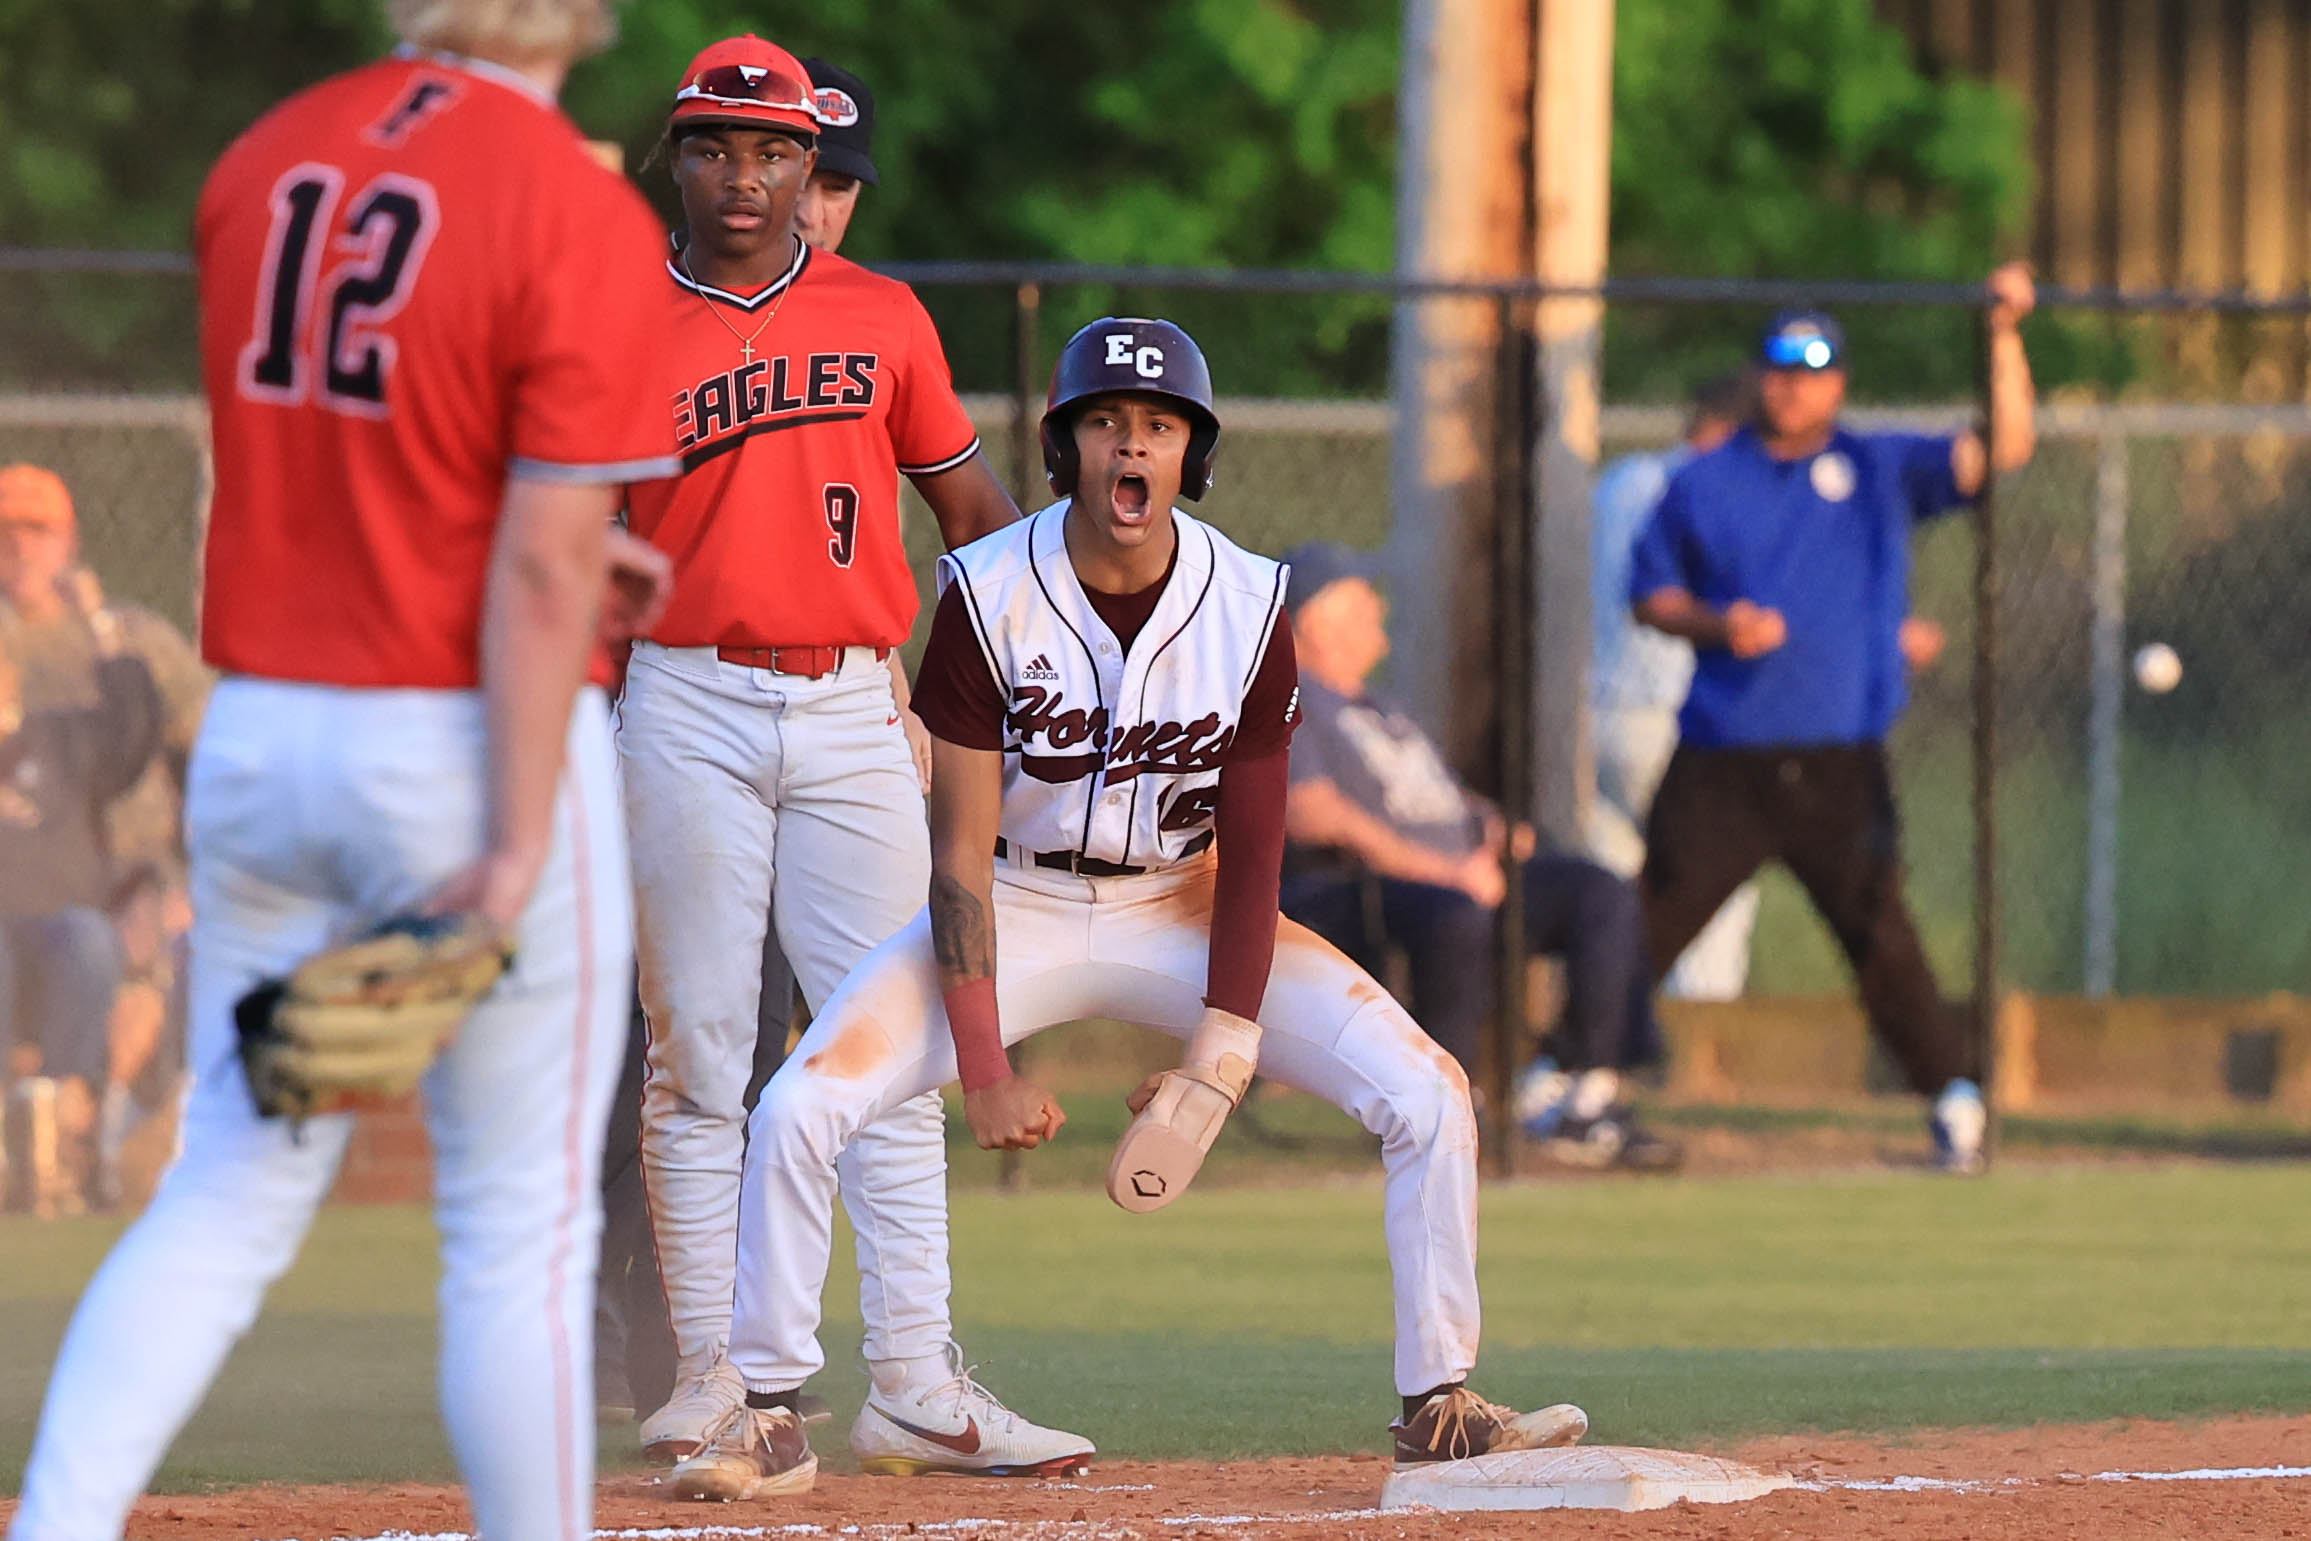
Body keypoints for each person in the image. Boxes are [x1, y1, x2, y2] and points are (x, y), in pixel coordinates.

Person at [667, 318, 1589, 1501]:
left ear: (1192, 456)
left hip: (1185, 895)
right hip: (1011, 894)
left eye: (1158, 426)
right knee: (799, 1104)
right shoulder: (988, 592)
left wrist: (1223, 1045)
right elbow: (953, 857)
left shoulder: (1249, 603)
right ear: (1064, 449)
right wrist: (985, 1062)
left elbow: (1255, 848)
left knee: (1427, 1087)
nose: (1130, 447)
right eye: (1104, 422)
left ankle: (1439, 1402)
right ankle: (770, 1411)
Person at [5, 1, 680, 1536]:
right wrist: (513, 846)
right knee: (515, 1232)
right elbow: (532, 561)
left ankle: (53, 1524)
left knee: (228, 1185)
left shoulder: (266, 157)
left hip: (261, 745)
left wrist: (577, 564)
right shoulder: (571, 202)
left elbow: (368, 467)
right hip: (456, 750)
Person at [617, 34, 1085, 1475]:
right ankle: (714, 1375)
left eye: (772, 154)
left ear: (813, 171)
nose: (743, 177)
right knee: (700, 1050)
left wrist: (1033, 643)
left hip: (847, 702)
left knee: (890, 1040)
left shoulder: (880, 316)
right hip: (681, 692)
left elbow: (970, 504)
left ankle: (917, 1378)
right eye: (713, 147)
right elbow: (565, 540)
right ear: (676, 162)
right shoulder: (616, 320)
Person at [1629, 264, 2038, 1175]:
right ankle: (1564, 1076)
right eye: (1780, 368)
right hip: (1724, 753)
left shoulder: (1876, 466)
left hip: (1838, 760)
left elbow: (2001, 447)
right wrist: (1715, 623)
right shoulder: (1705, 479)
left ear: (1838, 383)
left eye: (1813, 370)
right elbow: (1649, 593)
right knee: (1651, 917)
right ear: (1759, 377)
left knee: (1877, 930)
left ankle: (1953, 1098)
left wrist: (2002, 333)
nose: (1794, 384)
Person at [1277, 544, 1677, 1172]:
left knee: (1598, 892)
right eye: (1361, 600)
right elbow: (1312, 812)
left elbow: (1432, 797)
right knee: (1456, 912)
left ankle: (1579, 1089)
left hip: (1462, 873)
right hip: (1356, 887)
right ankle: (1439, 1103)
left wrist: (1486, 826)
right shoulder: (1291, 701)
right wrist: (1448, 871)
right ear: (1315, 621)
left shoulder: (1381, 709)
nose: (1379, 610)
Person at [0, 464, 212, 1197]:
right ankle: (54, 1141)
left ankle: (101, 1136)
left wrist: (186, 869)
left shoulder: (129, 638)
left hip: (138, 872)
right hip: (37, 872)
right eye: (5, 534)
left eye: (36, 532)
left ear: (69, 542)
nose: (19, 550)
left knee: (150, 945)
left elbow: (206, 742)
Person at [1585, 378, 1760, 1001]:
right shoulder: (1721, 491)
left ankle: (1599, 1032)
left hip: (1598, 713)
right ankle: (1700, 1025)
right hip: (1674, 716)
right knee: (1716, 874)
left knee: (1615, 885)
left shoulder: (1623, 480)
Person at [0, 598, 161, 1216]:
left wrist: (104, 635)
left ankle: (66, 1118)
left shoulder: (62, 737)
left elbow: (135, 730)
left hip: (62, 919)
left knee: (90, 939)